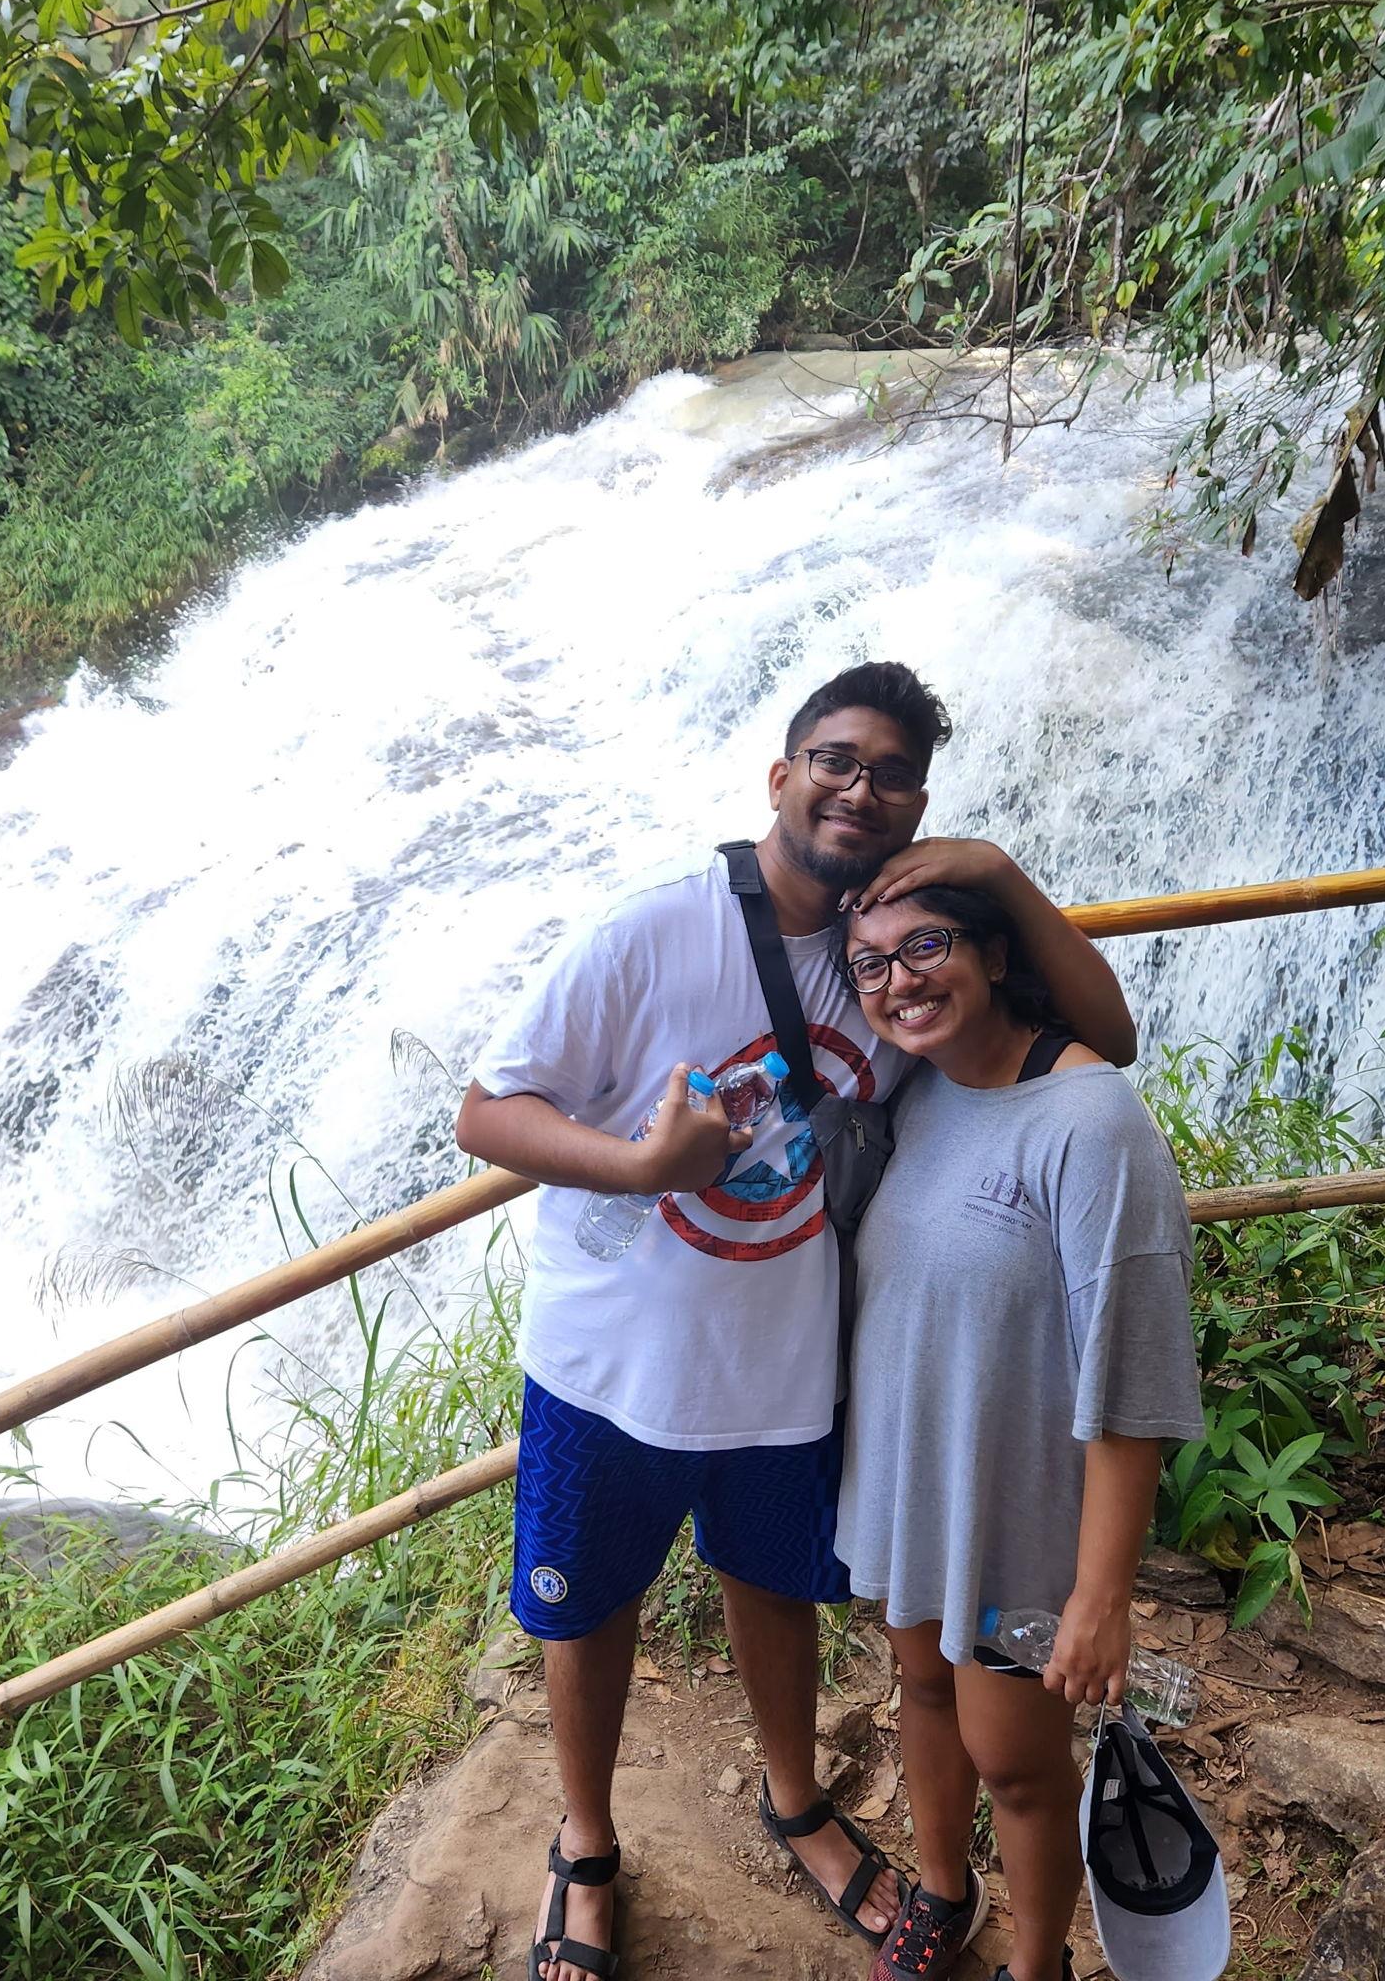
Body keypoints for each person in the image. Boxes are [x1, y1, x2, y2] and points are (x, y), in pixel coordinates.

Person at [455, 663, 1136, 1981]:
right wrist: (644, 1167)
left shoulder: (903, 958)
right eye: (835, 759)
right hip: (612, 1370)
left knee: (771, 1588)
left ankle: (798, 1805)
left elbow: (1104, 1037)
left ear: (915, 806)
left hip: (785, 1371)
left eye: (888, 772)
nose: (858, 787)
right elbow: (489, 1110)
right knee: (589, 1610)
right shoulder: (657, 933)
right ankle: (587, 1846)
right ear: (781, 777)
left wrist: (991, 872)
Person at [827, 873, 1205, 1981]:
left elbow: (1131, 1374)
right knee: (924, 1693)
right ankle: (943, 1888)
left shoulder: (1089, 1123)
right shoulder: (921, 1087)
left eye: (925, 944)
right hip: (917, 1489)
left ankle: (1036, 1963)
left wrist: (1099, 1596)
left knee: (1020, 1764)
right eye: (871, 963)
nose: (898, 980)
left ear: (994, 954)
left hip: (1018, 1512)